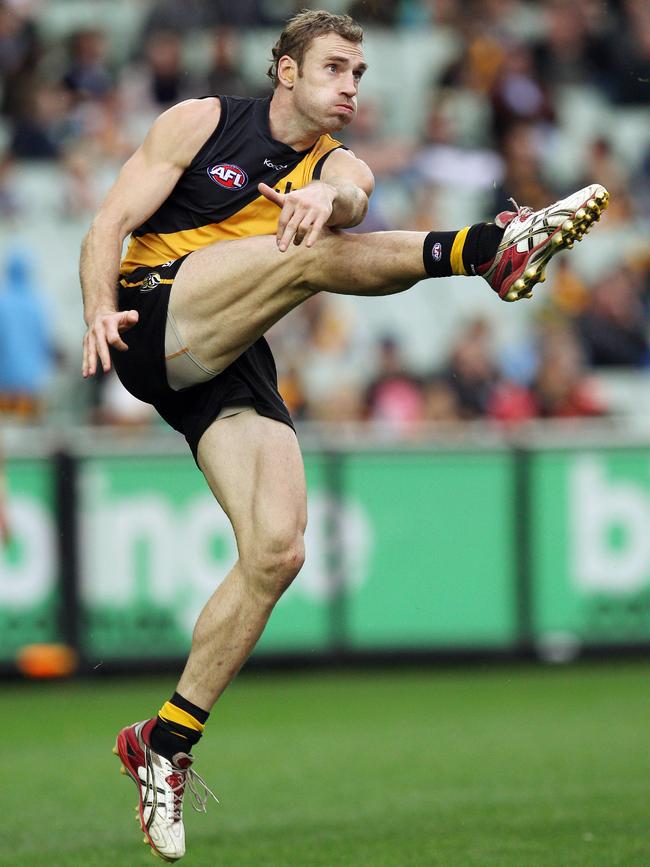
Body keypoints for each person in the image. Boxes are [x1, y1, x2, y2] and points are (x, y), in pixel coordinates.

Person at [79, 10, 609, 862]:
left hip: (224, 351)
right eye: (334, 68)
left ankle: (164, 743)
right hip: (150, 311)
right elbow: (105, 225)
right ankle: (489, 249)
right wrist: (97, 307)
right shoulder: (202, 121)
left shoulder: (340, 162)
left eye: (359, 73)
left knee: (278, 549)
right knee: (311, 255)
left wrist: (330, 195)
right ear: (284, 71)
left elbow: (353, 195)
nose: (351, 86)